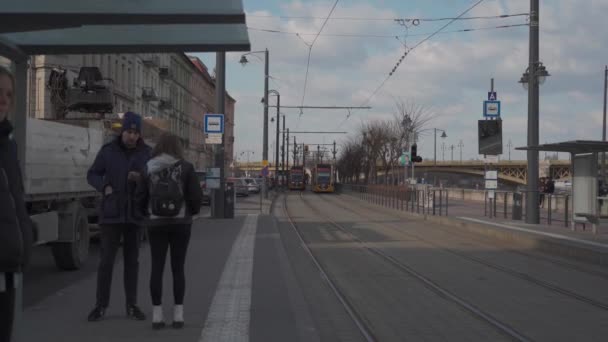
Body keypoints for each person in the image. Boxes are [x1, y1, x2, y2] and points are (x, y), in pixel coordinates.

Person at [87, 112, 151, 322]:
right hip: (111, 214)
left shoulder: (146, 154)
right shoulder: (108, 151)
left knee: (132, 262)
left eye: (135, 133)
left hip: (134, 214)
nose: (132, 137)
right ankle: (100, 305)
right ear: (122, 131)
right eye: (129, 132)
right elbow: (92, 174)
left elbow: (154, 180)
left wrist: (141, 178)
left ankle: (131, 305)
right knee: (106, 262)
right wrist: (103, 185)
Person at [136, 133, 202, 329]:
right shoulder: (187, 168)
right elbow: (196, 197)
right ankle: (178, 315)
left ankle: (157, 316)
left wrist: (146, 215)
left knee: (157, 267)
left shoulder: (148, 167)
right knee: (178, 268)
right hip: (181, 223)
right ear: (177, 147)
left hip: (156, 224)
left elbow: (140, 196)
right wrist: (191, 212)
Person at [0, 66, 34, 341]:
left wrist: (25, 238)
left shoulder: (8, 144)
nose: (4, 100)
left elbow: (15, 199)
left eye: (9, 95)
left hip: (8, 266)